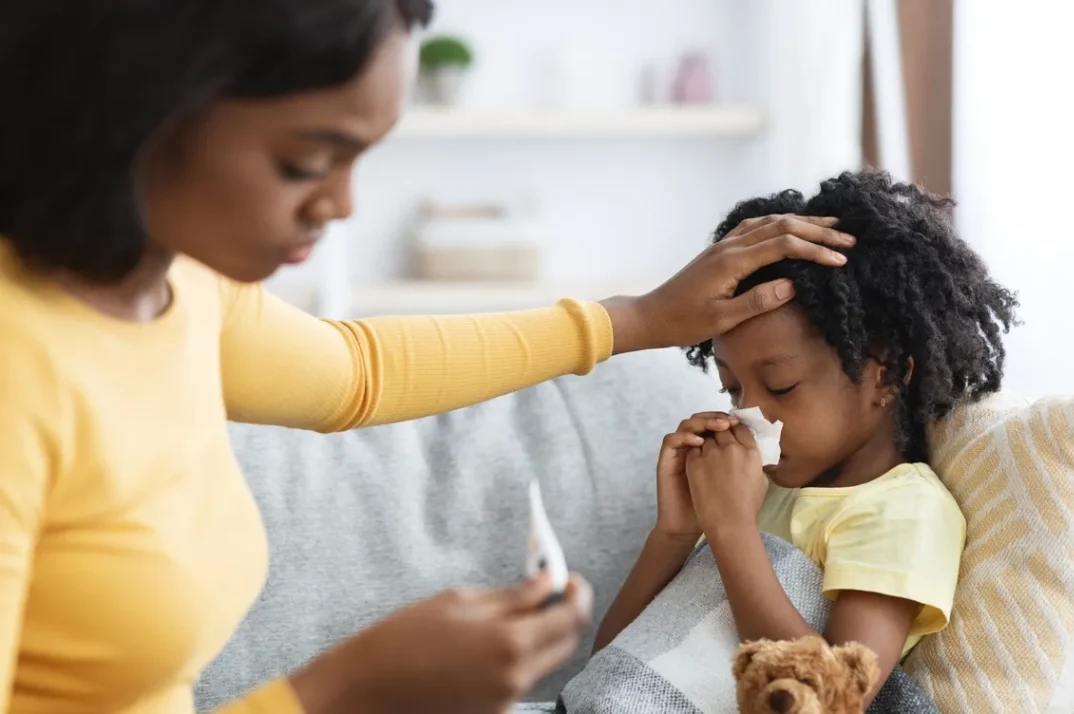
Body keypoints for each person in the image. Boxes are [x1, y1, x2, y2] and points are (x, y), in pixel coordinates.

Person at [0, 2, 857, 713]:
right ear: (142, 103)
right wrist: (339, 692)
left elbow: (356, 372)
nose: (340, 203)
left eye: (359, 159)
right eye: (305, 161)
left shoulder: (175, 284)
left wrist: (639, 317)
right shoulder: (22, 366)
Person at [594, 170, 1019, 704]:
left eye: (781, 386)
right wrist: (675, 536)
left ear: (885, 374)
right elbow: (607, 674)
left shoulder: (902, 511)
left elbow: (832, 697)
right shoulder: (762, 492)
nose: (749, 414)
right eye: (732, 389)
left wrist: (731, 531)